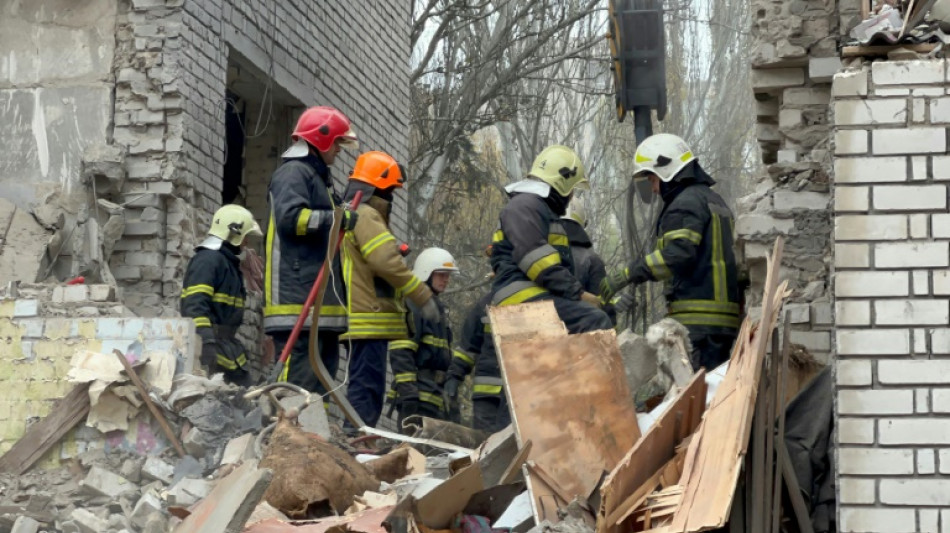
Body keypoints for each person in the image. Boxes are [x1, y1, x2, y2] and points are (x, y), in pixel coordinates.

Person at [600, 133, 740, 370]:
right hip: (724, 322)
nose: (654, 189)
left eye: (652, 179)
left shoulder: (685, 203)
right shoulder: (715, 201)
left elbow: (678, 254)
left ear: (666, 170)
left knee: (694, 395)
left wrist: (628, 273)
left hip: (697, 322)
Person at [339, 151, 439, 428]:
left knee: (366, 382)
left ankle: (359, 436)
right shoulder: (367, 214)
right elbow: (383, 260)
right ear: (379, 186)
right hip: (368, 316)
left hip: (366, 316)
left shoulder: (355, 211)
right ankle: (358, 439)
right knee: (367, 386)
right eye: (391, 190)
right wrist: (420, 294)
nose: (393, 196)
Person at [264, 106, 358, 394]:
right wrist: (336, 219)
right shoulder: (293, 173)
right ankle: (285, 435)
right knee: (297, 387)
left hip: (319, 304)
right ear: (322, 140)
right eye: (338, 143)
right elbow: (291, 219)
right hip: (297, 298)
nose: (340, 151)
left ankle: (313, 437)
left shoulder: (318, 178)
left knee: (321, 387)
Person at [490, 144, 612, 333]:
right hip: (524, 298)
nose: (571, 197)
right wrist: (578, 294)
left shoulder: (537, 209)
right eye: (572, 189)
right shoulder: (526, 205)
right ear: (562, 183)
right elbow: (536, 260)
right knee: (594, 321)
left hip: (534, 297)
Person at [181, 205, 262, 386]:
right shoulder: (208, 260)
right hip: (211, 348)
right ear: (233, 233)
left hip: (227, 350)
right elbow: (194, 305)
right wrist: (206, 342)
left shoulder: (227, 263)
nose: (246, 242)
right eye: (245, 237)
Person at [388, 247, 461, 433]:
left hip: (435, 399)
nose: (446, 279)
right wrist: (409, 394)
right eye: (441, 274)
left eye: (448, 275)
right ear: (426, 272)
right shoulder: (413, 304)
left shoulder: (436, 309)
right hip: (418, 398)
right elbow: (401, 351)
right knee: (414, 456)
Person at [561, 200, 616, 326]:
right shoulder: (593, 260)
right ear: (582, 224)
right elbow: (603, 306)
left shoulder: (540, 254)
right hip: (582, 334)